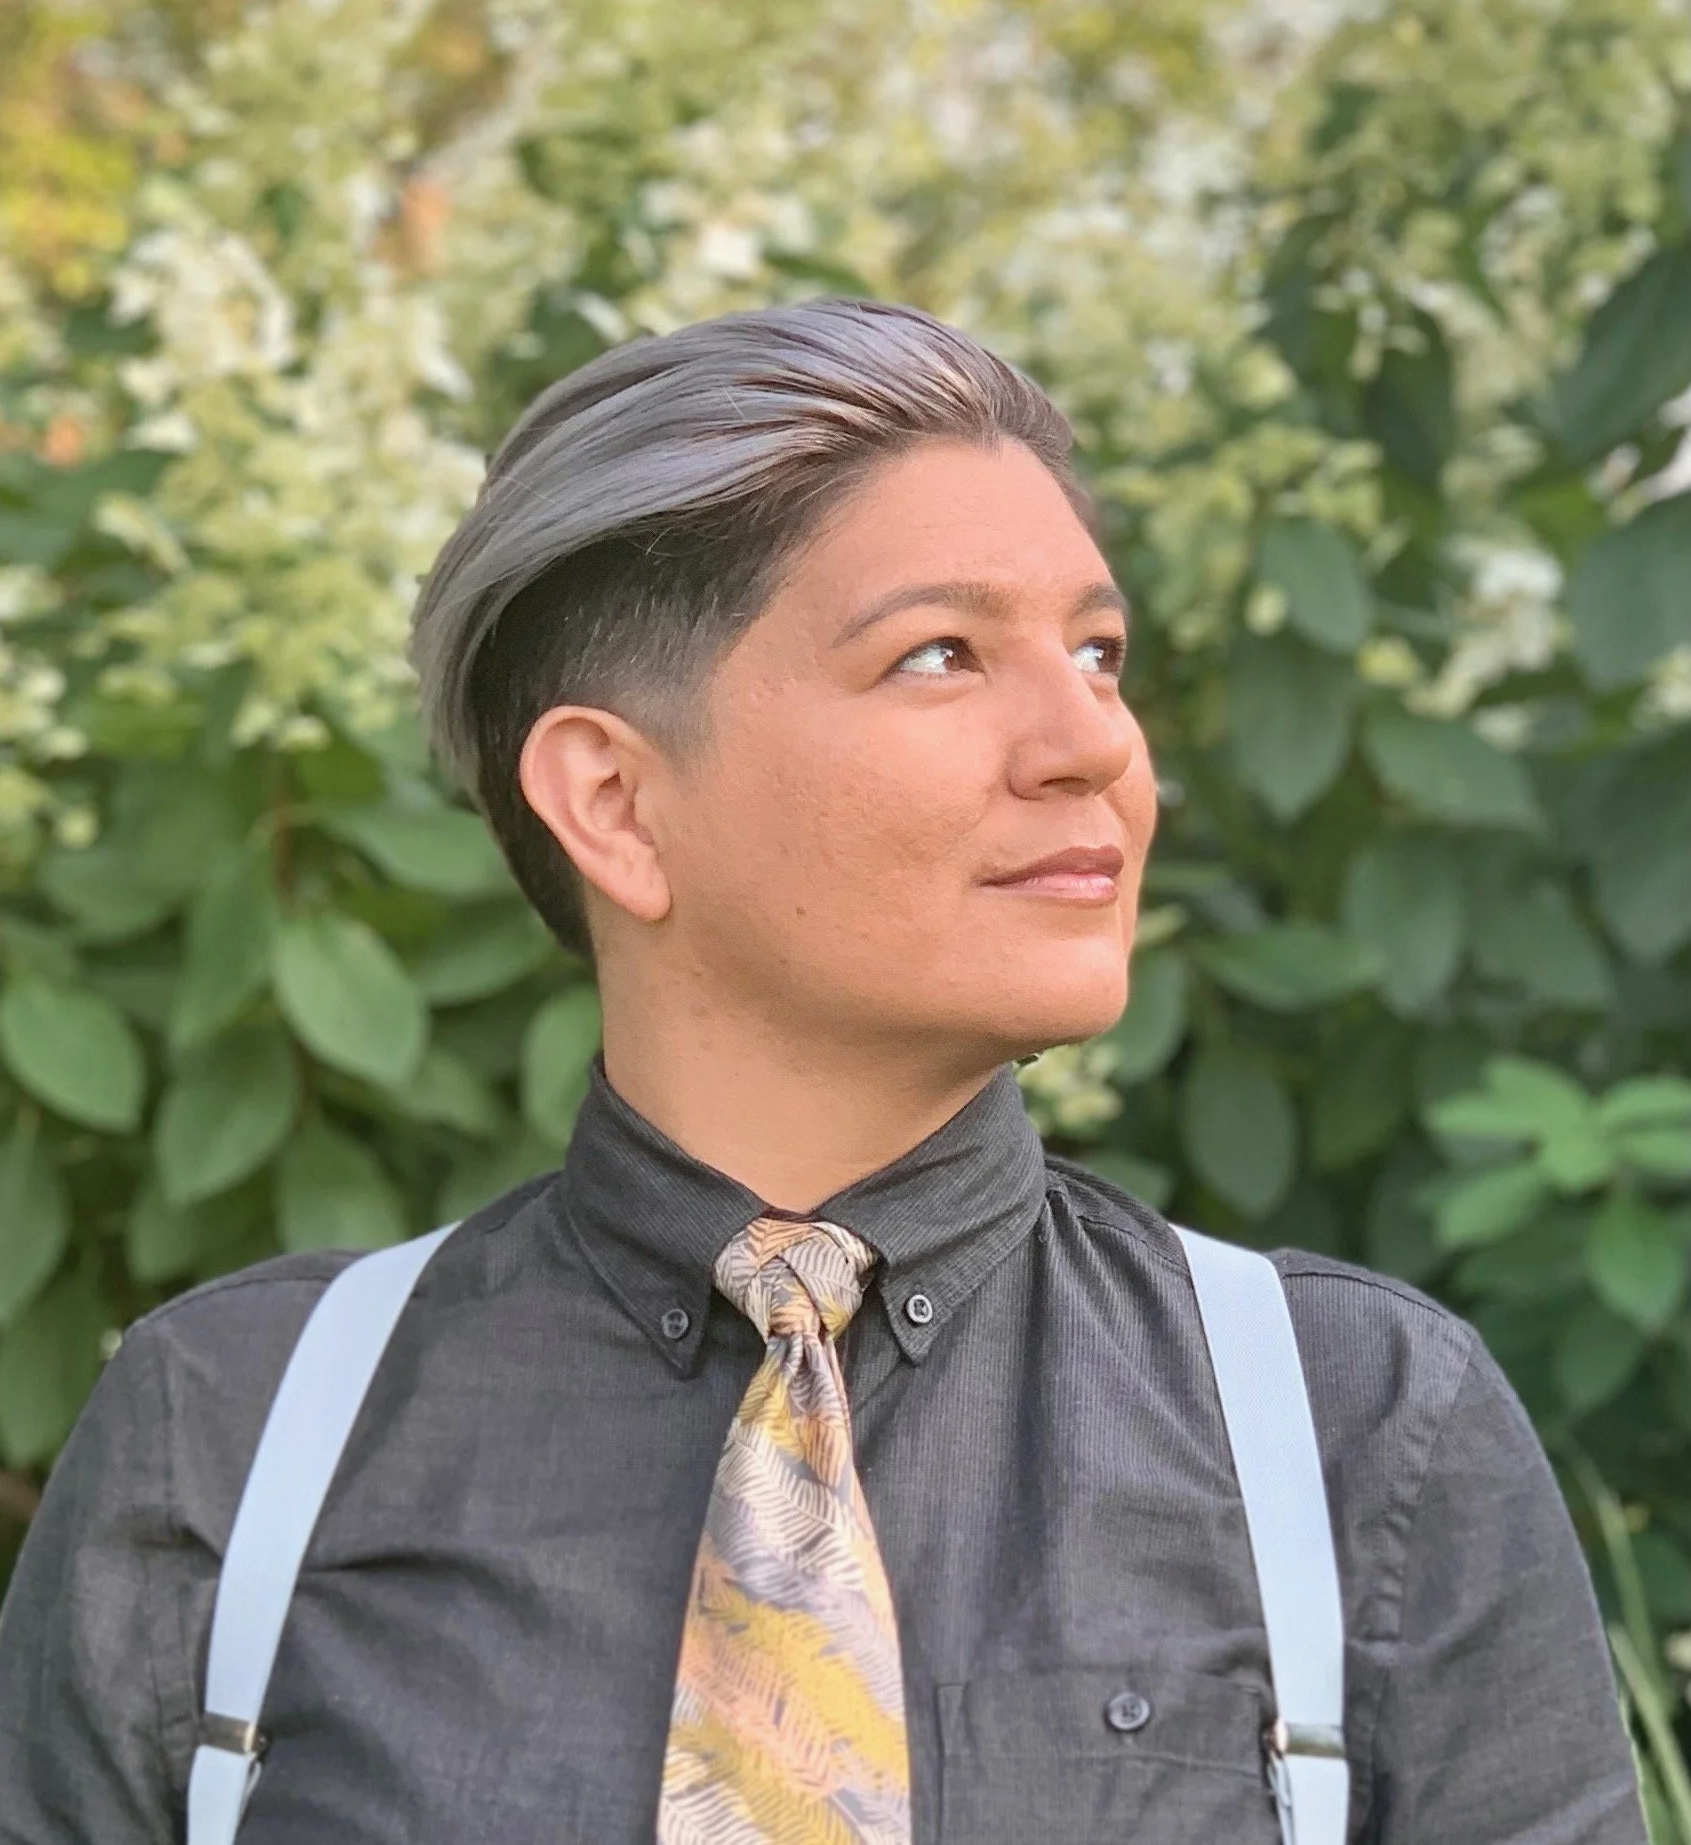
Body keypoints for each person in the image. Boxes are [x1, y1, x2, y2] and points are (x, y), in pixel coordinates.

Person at [0, 297, 1647, 1845]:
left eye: (1097, 651)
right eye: (939, 653)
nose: (1091, 743)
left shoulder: (1358, 1426)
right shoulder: (234, 1435)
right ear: (616, 804)